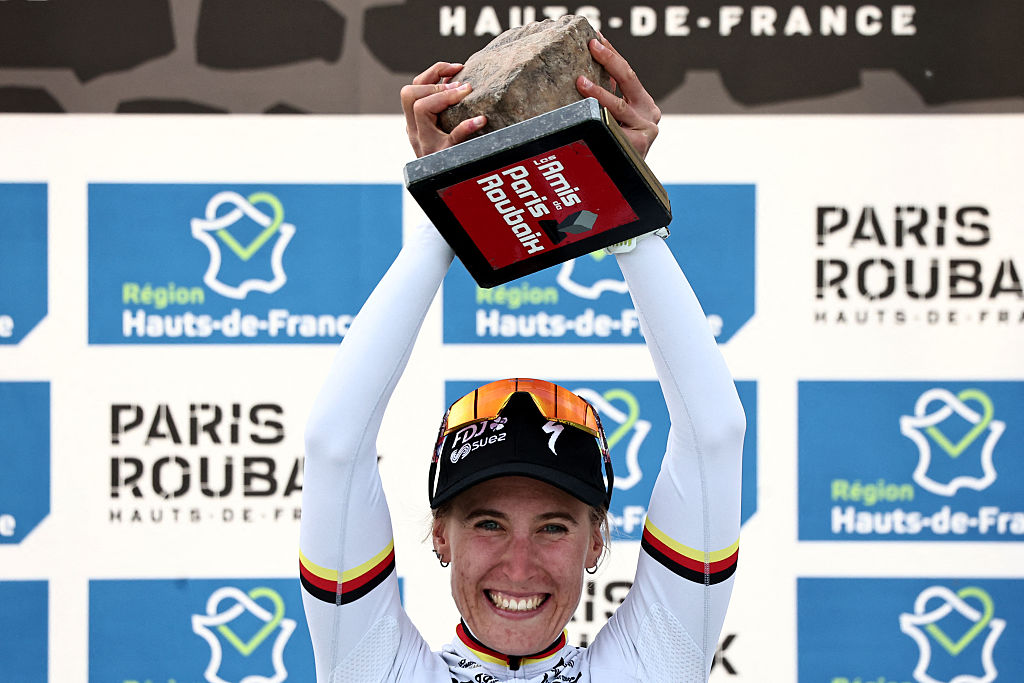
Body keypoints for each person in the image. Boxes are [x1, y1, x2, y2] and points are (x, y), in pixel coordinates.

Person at [299, 32, 745, 682]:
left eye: (554, 527)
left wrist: (624, 195)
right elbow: (333, 446)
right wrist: (446, 208)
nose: (519, 565)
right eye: (487, 522)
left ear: (597, 541)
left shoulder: (652, 668)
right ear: (441, 535)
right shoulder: (372, 669)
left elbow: (716, 435)